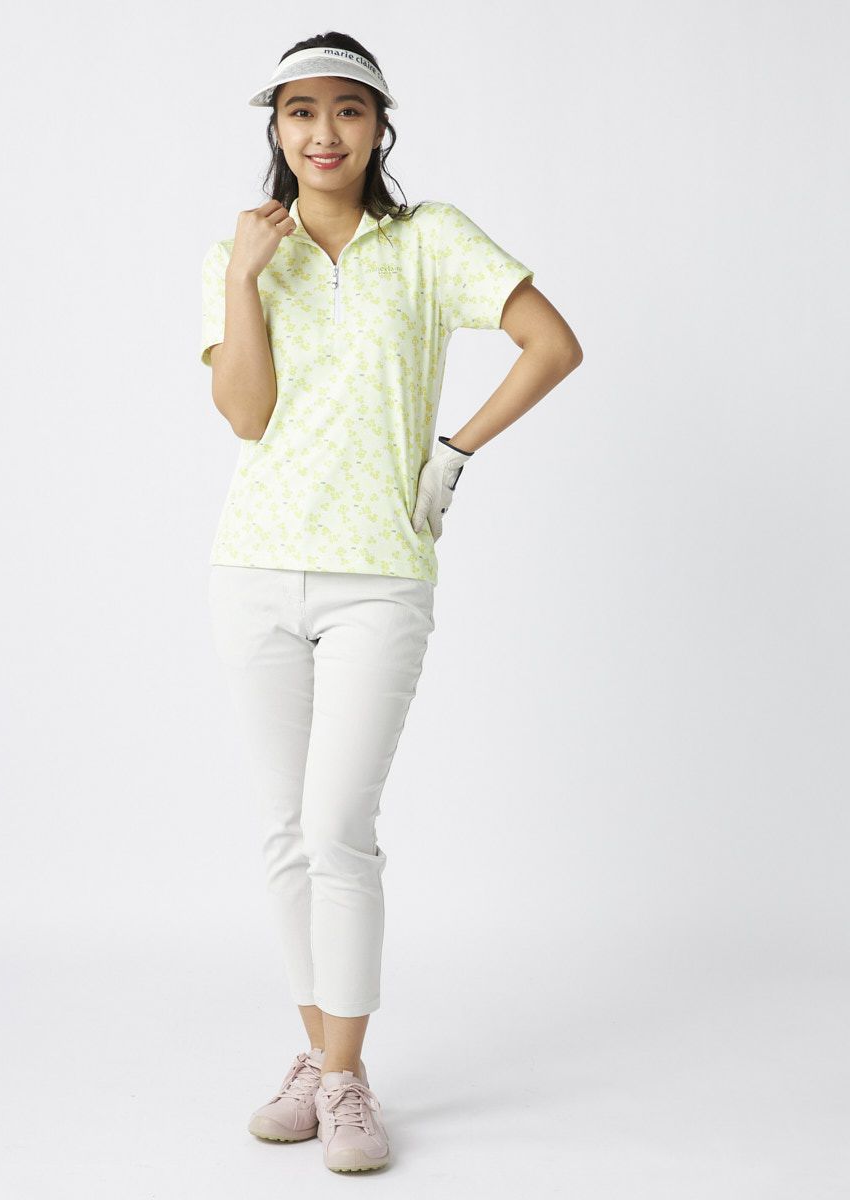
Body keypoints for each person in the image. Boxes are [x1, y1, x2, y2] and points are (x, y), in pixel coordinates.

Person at [200, 32, 583, 1173]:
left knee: (337, 829)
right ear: (276, 128)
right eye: (301, 111)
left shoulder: (429, 241)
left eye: (348, 111)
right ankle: (321, 1061)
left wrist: (453, 452)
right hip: (254, 567)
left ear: (379, 126)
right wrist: (242, 277)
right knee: (283, 832)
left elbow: (551, 343)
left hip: (379, 572)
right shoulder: (241, 250)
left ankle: (347, 1075)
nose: (324, 133)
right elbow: (245, 416)